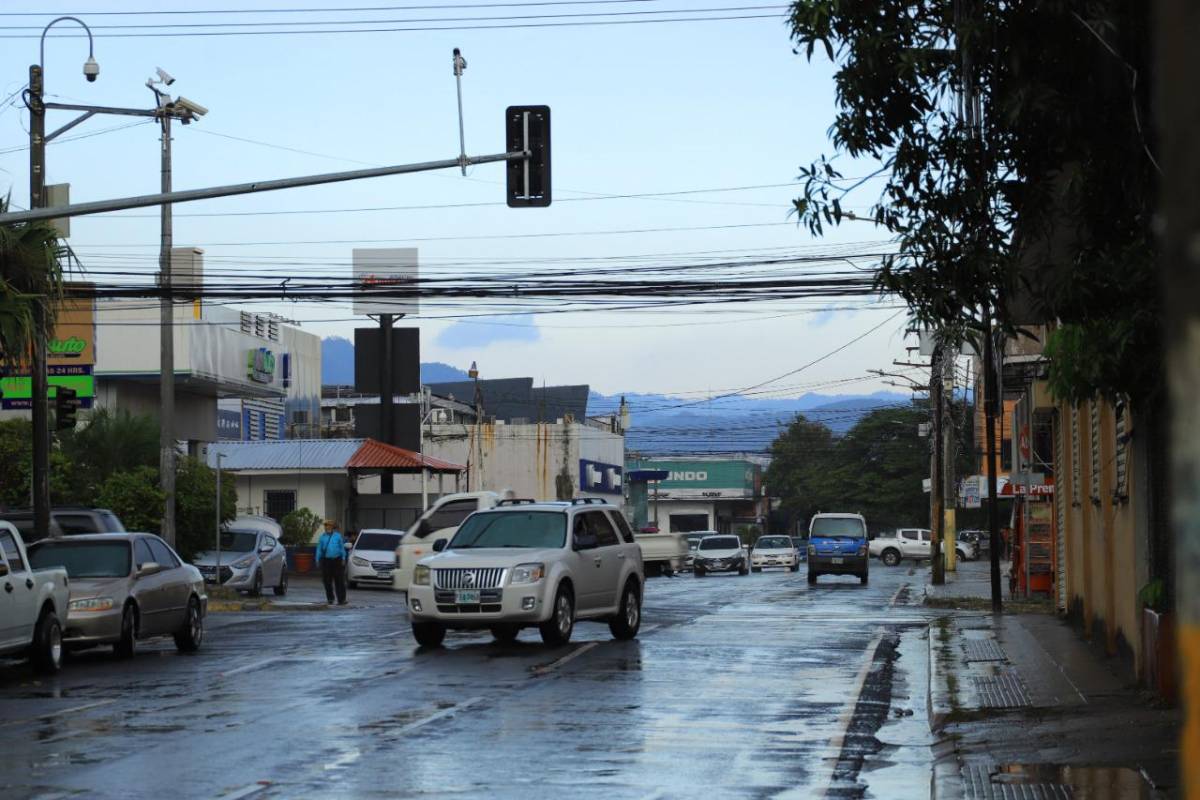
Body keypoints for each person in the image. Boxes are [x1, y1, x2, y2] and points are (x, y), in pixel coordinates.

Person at [315, 519, 348, 605]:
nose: (327, 527)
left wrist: (343, 558)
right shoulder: (322, 537)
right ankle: (330, 598)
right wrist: (317, 560)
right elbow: (319, 549)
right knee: (327, 581)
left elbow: (342, 548)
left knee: (339, 581)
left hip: (337, 560)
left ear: (332, 527)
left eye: (329, 526)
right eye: (326, 526)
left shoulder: (338, 536)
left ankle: (341, 599)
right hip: (326, 561)